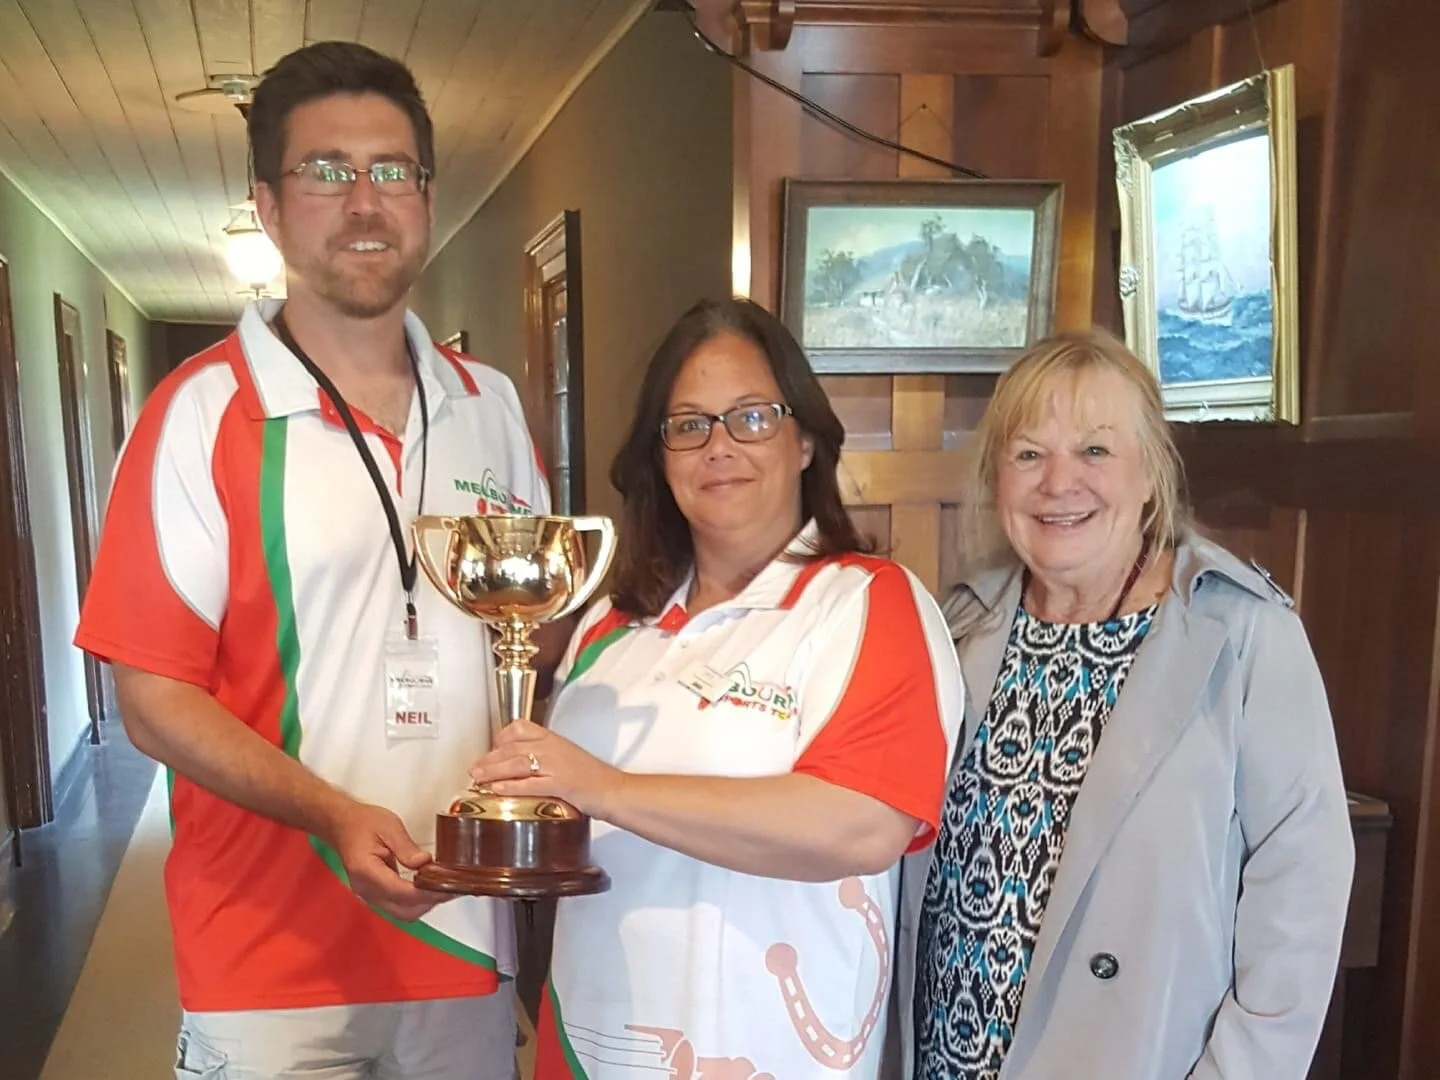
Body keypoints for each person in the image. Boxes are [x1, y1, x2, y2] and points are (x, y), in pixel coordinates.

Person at [74, 41, 559, 1080]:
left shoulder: (492, 406)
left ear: (427, 194)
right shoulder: (198, 413)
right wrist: (333, 814)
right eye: (326, 173)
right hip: (268, 963)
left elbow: (538, 630)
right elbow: (152, 697)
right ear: (268, 204)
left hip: (465, 937)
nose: (364, 201)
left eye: (392, 170)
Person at [469, 297, 966, 1079]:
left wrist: (608, 788)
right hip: (591, 1048)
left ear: (805, 439)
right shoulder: (609, 624)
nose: (719, 447)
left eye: (753, 418)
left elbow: (861, 825)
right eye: (689, 425)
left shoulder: (867, 600)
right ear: (660, 456)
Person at [893, 328, 1354, 1080]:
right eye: (1029, 453)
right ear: (997, 478)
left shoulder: (1241, 635)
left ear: (1152, 476)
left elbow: (1302, 889)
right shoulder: (956, 629)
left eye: (1096, 451)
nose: (1058, 483)